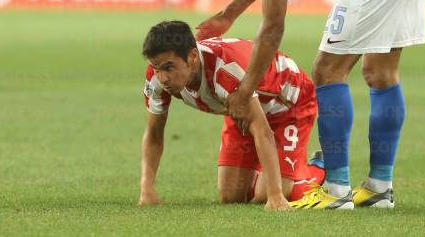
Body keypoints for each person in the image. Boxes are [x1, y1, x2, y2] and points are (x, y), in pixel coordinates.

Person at [193, 0, 425, 209]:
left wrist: (245, 91)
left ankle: (335, 190)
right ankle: (379, 187)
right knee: (381, 74)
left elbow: (272, 28)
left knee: (327, 72)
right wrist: (228, 14)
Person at [138, 21, 336, 210]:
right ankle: (277, 172)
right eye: (156, 68)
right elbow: (155, 134)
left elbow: (262, 130)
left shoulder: (226, 72)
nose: (162, 78)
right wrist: (147, 189)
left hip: (289, 104)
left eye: (168, 68)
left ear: (192, 56)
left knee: (266, 194)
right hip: (239, 108)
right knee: (230, 195)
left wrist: (275, 196)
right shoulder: (157, 77)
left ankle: (318, 166)